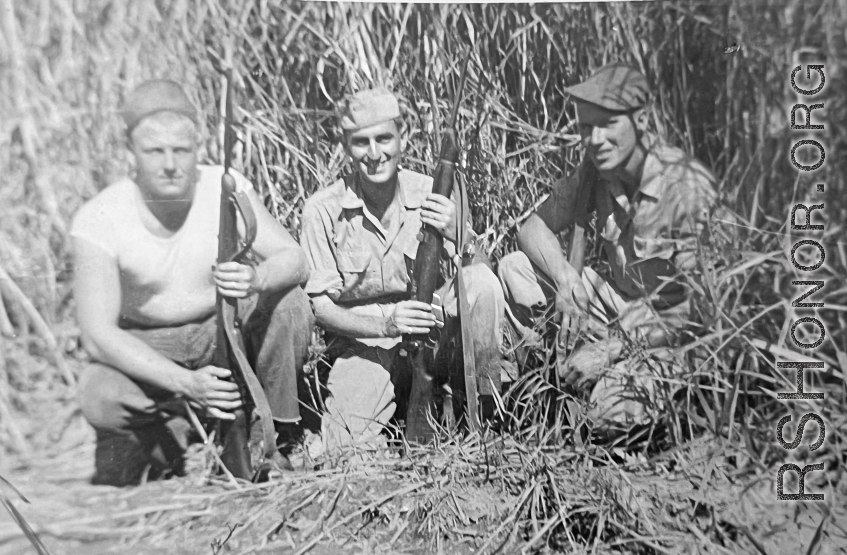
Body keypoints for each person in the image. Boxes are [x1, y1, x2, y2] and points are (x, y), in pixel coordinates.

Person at [71, 79, 313, 486]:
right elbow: (97, 335)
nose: (170, 164)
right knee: (100, 394)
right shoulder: (99, 216)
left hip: (219, 332)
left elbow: (295, 259)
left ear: (197, 149)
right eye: (155, 151)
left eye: (181, 150)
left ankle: (277, 435)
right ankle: (177, 431)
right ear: (130, 151)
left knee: (289, 304)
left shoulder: (226, 185)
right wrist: (187, 384)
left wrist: (257, 278)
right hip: (150, 345)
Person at [498, 63, 721, 435]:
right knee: (514, 267)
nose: (595, 138)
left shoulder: (686, 188)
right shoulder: (597, 169)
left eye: (608, 123)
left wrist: (611, 350)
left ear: (643, 120)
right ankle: (547, 376)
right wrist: (565, 277)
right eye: (586, 127)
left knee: (604, 415)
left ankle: (618, 389)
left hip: (670, 333)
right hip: (618, 307)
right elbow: (532, 228)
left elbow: (704, 309)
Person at [300, 87, 512, 453]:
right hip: (365, 344)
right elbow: (321, 309)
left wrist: (459, 236)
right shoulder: (321, 210)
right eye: (361, 142)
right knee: (344, 449)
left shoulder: (433, 193)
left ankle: (482, 415)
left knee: (481, 283)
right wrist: (387, 323)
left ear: (404, 137)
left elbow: (482, 276)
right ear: (345, 146)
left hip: (434, 338)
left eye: (384, 138)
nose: (375, 153)